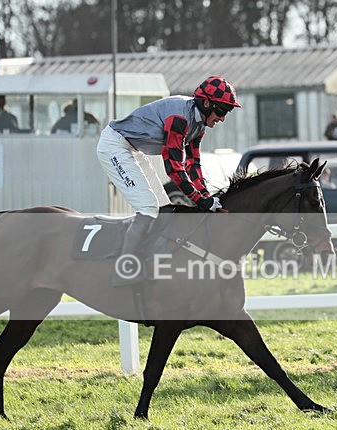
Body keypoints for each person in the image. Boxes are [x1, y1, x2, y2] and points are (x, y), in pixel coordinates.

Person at [97, 75, 240, 284]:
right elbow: (174, 168)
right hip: (114, 146)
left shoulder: (199, 124)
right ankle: (124, 269)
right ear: (207, 103)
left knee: (164, 207)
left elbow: (193, 166)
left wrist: (208, 198)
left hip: (134, 150)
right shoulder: (180, 118)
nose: (223, 118)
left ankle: (150, 261)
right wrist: (200, 201)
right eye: (222, 111)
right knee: (148, 208)